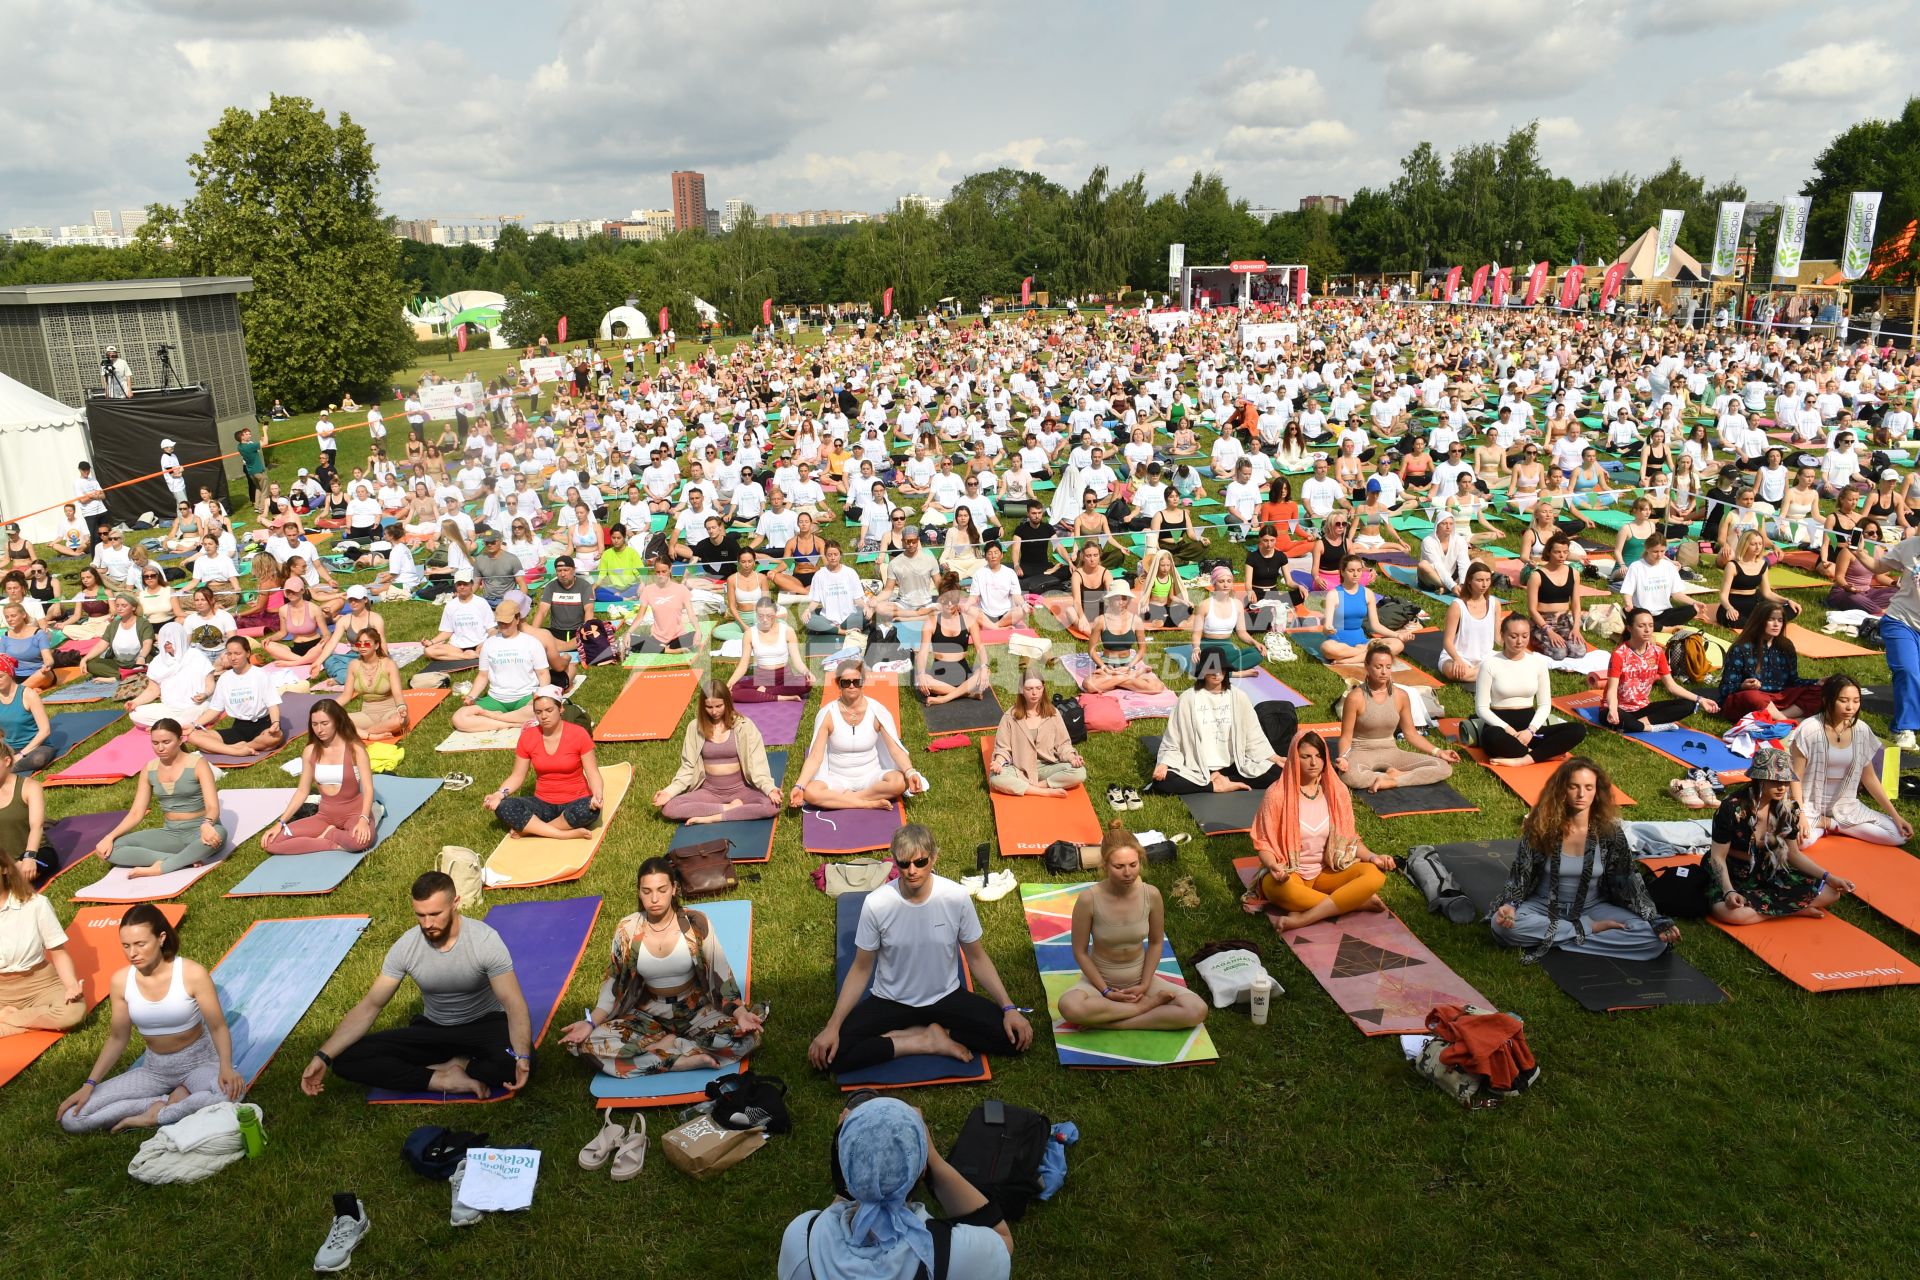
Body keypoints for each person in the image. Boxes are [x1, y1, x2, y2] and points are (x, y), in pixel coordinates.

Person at [808, 825, 1032, 1075]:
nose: (912, 871)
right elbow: (861, 969)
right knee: (829, 1057)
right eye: (904, 864)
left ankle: (941, 1034)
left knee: (1013, 1039)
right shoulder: (877, 903)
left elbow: (977, 958)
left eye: (920, 862)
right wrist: (833, 1026)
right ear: (895, 861)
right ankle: (920, 1040)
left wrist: (1009, 1009)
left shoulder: (956, 897)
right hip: (891, 1000)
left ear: (933, 857)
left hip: (945, 996)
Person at [301, 872, 533, 1101]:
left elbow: (513, 1003)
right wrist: (323, 1057)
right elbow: (371, 1005)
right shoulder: (407, 946)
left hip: (483, 1024)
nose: (427, 923)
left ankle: (459, 1063)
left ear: (455, 904)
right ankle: (442, 1079)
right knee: (346, 1058)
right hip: (434, 1029)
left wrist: (522, 1055)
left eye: (435, 914)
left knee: (517, 1063)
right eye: (420, 915)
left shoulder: (485, 941)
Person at [559, 857, 763, 1078]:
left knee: (747, 1040)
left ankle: (666, 1048)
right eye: (646, 891)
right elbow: (614, 985)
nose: (654, 898)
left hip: (696, 1010)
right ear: (639, 892)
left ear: (674, 889)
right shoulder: (627, 929)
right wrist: (589, 1023)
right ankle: (681, 1061)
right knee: (588, 1045)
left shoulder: (695, 922)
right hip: (648, 1015)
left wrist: (741, 1013)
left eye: (662, 889)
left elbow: (721, 972)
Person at [778, 1096, 1012, 1280]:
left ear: (843, 1168)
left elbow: (828, 1221)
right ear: (922, 1171)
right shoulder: (953, 1256)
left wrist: (854, 1171)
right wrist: (935, 1159)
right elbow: (1002, 1240)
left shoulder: (802, 1242)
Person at [58, 904, 244, 1132]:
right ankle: (163, 1104)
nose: (132, 953)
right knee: (72, 1119)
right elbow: (117, 1038)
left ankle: (154, 1117)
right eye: (125, 946)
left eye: (140, 944)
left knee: (231, 1095)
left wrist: (225, 1066)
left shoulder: (192, 974)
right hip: (155, 1070)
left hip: (199, 1063)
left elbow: (217, 1027)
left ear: (161, 938)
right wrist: (89, 1084)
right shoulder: (121, 981)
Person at [1489, 757, 1680, 961]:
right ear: (1562, 789)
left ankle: (1558, 937)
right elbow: (1521, 874)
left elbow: (1629, 881)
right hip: (1543, 907)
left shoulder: (1610, 833)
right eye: (1574, 786)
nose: (1581, 794)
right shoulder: (1542, 828)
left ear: (1597, 791)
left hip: (1593, 907)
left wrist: (1654, 919)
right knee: (1502, 926)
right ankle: (1588, 930)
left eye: (1589, 787)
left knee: (1654, 939)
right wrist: (1510, 905)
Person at [1054, 822, 1207, 1028]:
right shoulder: (1088, 899)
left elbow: (1155, 942)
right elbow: (1080, 952)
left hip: (1141, 981)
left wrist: (1144, 985)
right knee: (1069, 1006)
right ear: (1105, 865)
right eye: (1119, 867)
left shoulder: (1151, 894)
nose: (1128, 873)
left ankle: (1110, 1022)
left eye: (1133, 865)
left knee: (1196, 1009)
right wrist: (1105, 991)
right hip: (1100, 984)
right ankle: (1144, 1008)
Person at [1246, 731, 1398, 928]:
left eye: (1319, 756)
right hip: (1292, 875)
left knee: (1375, 874)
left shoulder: (1336, 792)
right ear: (1293, 758)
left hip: (1328, 871)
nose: (1313, 763)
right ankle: (1354, 902)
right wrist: (1273, 865)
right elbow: (1264, 843)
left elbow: (1349, 839)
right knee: (1279, 889)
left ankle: (1303, 918)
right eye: (1306, 756)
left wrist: (1373, 857)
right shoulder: (1276, 794)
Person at [1706, 750, 1853, 924]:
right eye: (1775, 781)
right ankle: (1794, 908)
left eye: (1785, 781)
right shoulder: (1732, 808)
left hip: (1770, 869)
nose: (1782, 787)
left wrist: (1828, 877)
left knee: (1831, 892)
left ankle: (1775, 910)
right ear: (1759, 780)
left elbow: (1793, 854)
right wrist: (1729, 891)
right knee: (1730, 913)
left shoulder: (1789, 809)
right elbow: (1717, 857)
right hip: (1733, 871)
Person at [90, 719, 227, 878]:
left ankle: (161, 868)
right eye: (155, 743)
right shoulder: (149, 769)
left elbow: (212, 806)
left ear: (180, 739)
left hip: (201, 830)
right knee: (112, 849)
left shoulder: (197, 763)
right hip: (171, 833)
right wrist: (109, 837)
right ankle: (178, 860)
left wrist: (208, 824)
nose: (160, 748)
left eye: (166, 742)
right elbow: (136, 813)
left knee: (219, 835)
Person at [1788, 675, 1911, 848]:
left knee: (1899, 835)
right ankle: (1822, 824)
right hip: (1809, 807)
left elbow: (1869, 778)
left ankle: (1832, 825)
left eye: (1856, 701)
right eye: (1843, 700)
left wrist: (1896, 816)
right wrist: (1800, 814)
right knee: (1800, 842)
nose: (1850, 707)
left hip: (1846, 808)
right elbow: (1795, 777)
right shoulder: (1809, 729)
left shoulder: (1861, 730)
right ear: (1826, 699)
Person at [1149, 650, 1283, 794]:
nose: (1216, 673)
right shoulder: (1187, 698)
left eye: (1220, 669)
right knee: (1162, 782)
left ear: (1225, 671)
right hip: (1197, 765)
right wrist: (1164, 763)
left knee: (1279, 773)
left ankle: (1224, 778)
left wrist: (1274, 757)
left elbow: (1253, 733)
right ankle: (1216, 786)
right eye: (1211, 669)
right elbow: (1173, 737)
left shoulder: (1239, 697)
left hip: (1233, 764)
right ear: (1203, 671)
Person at [791, 660, 918, 810]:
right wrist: (799, 786)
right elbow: (815, 757)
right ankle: (868, 803)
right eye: (846, 682)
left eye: (856, 682)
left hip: (872, 776)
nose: (852, 686)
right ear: (838, 684)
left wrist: (910, 773)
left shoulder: (876, 710)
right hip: (838, 778)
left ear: (863, 682)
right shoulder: (828, 714)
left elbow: (895, 749)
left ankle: (846, 800)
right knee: (811, 792)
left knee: (899, 781)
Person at [1334, 643, 1460, 791]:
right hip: (1362, 752)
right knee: (1350, 776)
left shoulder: (1401, 696)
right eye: (1378, 666)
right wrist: (1343, 757)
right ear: (1367, 666)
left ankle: (1393, 780)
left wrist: (1439, 752)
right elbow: (1346, 737)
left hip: (1391, 751)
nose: (1384, 672)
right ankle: (1400, 776)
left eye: (1388, 667)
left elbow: (1411, 734)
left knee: (1443, 767)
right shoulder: (1356, 697)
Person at [484, 688, 605, 841]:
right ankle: (562, 834)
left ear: (560, 709)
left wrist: (597, 795)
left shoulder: (579, 734)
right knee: (503, 806)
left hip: (576, 800)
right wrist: (499, 794)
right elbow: (517, 776)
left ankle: (531, 830)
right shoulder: (528, 737)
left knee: (589, 810)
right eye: (539, 712)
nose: (544, 716)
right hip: (543, 804)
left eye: (549, 710)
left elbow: (593, 772)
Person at [654, 682, 783, 823]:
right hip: (710, 791)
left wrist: (770, 789)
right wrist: (669, 792)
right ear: (702, 706)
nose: (714, 711)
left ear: (727, 703)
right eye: (709, 707)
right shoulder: (694, 728)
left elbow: (757, 765)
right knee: (670, 808)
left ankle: (712, 818)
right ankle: (728, 809)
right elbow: (688, 767)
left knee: (772, 806)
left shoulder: (744, 726)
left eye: (718, 706)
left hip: (741, 789)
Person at [261, 700, 376, 855]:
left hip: (355, 813)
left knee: (359, 841)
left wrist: (364, 819)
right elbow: (302, 791)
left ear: (337, 721)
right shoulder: (310, 751)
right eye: (314, 724)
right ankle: (331, 842)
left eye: (324, 723)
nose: (319, 729)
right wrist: (280, 823)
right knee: (271, 843)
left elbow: (368, 789)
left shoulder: (355, 749)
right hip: (325, 817)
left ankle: (330, 834)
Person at [1473, 615, 1587, 766]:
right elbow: (1481, 708)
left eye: (1524, 636)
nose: (1519, 641)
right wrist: (1509, 731)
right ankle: (1542, 753)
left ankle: (1523, 759)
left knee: (1577, 729)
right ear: (1503, 636)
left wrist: (1530, 731)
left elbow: (1545, 704)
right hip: (1502, 730)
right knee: (1492, 737)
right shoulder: (1490, 664)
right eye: (1513, 636)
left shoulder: (1538, 663)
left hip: (1532, 733)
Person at [0, 834, 84, 1036]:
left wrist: (71, 985)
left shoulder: (35, 905)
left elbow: (58, 952)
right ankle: (28, 1019)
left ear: (4, 869)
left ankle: (8, 1019)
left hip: (39, 984)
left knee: (73, 1011)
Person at [1600, 608, 1719, 732]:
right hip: (1619, 709)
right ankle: (1649, 728)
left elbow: (1672, 686)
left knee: (1689, 705)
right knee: (1612, 716)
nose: (1647, 630)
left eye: (1650, 626)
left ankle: (1637, 725)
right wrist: (1613, 710)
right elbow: (1612, 690)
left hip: (1642, 709)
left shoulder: (1657, 652)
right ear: (1630, 628)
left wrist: (1701, 699)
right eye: (1641, 626)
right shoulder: (1619, 654)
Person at [450, 598, 547, 732]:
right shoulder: (489, 644)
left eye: (507, 622)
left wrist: (543, 695)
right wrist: (471, 696)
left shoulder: (532, 642)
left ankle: (493, 718)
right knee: (459, 718)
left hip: (526, 697)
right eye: (500, 623)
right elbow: (483, 676)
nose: (503, 626)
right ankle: (512, 723)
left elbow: (543, 673)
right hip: (496, 699)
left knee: (539, 711)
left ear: (517, 619)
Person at [181, 637, 284, 758]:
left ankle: (238, 747)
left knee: (276, 737)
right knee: (194, 736)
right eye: (229, 654)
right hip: (239, 728)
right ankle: (236, 750)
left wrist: (275, 722)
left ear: (248, 653)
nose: (233, 658)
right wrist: (194, 724)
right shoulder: (225, 678)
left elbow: (272, 704)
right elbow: (215, 709)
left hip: (262, 725)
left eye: (237, 653)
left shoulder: (260, 675)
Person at [987, 671, 1087, 797]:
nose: (1034, 693)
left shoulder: (1053, 713)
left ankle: (1036, 786)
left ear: (1043, 688)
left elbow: (1063, 744)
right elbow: (1003, 748)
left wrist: (1073, 758)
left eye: (1038, 688)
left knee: (1080, 772)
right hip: (1021, 769)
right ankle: (1044, 792)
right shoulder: (1009, 717)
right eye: (1029, 689)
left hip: (1047, 767)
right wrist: (998, 762)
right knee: (996, 778)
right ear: (1021, 690)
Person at [1717, 602, 1822, 721]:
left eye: (1780, 620)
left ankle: (1777, 717)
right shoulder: (1741, 648)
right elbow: (1725, 688)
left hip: (1780, 698)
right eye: (1771, 620)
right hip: (1753, 699)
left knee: (1822, 691)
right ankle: (1786, 721)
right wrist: (1743, 686)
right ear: (1759, 621)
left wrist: (1817, 682)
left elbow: (1794, 681)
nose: (1776, 624)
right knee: (1753, 697)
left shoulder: (1786, 646)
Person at [1869, 532, 1920, 749]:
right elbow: (1879, 566)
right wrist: (1860, 553)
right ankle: (1903, 728)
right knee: (1908, 671)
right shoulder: (1909, 546)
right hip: (1901, 620)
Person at [1317, 554, 1414, 663]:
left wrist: (1398, 635)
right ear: (1342, 572)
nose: (1355, 574)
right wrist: (1328, 629)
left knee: (1398, 644)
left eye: (1359, 570)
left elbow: (1375, 625)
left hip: (1361, 641)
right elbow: (1326, 628)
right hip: (1339, 642)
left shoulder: (1367, 594)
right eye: (1351, 570)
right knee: (1327, 648)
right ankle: (1366, 653)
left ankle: (1348, 660)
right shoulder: (1334, 594)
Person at [914, 582, 990, 705]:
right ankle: (967, 693)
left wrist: (984, 668)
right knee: (921, 679)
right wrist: (922, 673)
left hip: (964, 673)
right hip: (939, 676)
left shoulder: (969, 620)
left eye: (953, 601)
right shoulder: (931, 622)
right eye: (945, 601)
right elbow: (923, 652)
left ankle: (944, 698)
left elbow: (980, 648)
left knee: (984, 671)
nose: (949, 605)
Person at [730, 596, 813, 703]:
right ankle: (779, 697)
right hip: (761, 680)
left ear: (775, 613)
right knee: (733, 691)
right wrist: (729, 684)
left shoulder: (787, 631)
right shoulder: (750, 633)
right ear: (756, 614)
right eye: (760, 616)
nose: (764, 619)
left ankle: (766, 693)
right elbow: (743, 665)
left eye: (769, 616)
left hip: (784, 679)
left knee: (806, 683)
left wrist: (807, 672)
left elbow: (797, 661)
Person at [1084, 587, 1164, 695]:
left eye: (1124, 598)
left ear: (1129, 600)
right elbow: (1091, 650)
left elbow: (1142, 649)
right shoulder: (1100, 620)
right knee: (1088, 685)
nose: (1121, 602)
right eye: (1117, 598)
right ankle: (1130, 677)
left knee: (1157, 687)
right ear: (1110, 599)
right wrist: (1104, 667)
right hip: (1107, 665)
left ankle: (1114, 681)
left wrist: (1129, 667)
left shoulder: (1136, 620)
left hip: (1127, 665)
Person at [1715, 530, 1799, 627]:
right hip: (1734, 606)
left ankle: (1762, 624)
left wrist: (1787, 601)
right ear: (1745, 545)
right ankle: (1763, 624)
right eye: (1754, 544)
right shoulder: (1732, 566)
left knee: (1793, 609)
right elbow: (1723, 595)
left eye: (1760, 544)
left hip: (1753, 607)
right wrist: (1729, 608)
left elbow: (1767, 593)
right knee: (1737, 621)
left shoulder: (1763, 564)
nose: (1758, 547)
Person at [1525, 533, 1590, 658]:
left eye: (1565, 552)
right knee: (1559, 653)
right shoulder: (1536, 576)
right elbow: (1532, 610)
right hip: (1542, 622)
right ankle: (1536, 638)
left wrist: (1576, 627)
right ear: (1549, 552)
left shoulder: (1574, 573)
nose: (1562, 556)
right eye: (1557, 552)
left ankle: (1563, 640)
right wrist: (1548, 630)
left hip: (1563, 620)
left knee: (1579, 651)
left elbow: (1576, 604)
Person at [1437, 561, 1500, 683]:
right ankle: (1493, 672)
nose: (1484, 584)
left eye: (1488, 580)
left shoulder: (1494, 603)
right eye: (1480, 580)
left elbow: (1498, 638)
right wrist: (1457, 659)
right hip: (1458, 657)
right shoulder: (1457, 606)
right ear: (1469, 581)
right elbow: (1447, 642)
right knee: (1460, 673)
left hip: (1485, 657)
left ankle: (1487, 671)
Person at [422, 569, 494, 663]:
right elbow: (447, 631)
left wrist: (488, 641)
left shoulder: (481, 603)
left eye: (465, 584)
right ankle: (466, 656)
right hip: (457, 646)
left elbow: (491, 629)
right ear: (455, 586)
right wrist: (431, 642)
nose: (462, 587)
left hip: (479, 644)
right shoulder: (450, 605)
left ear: (471, 584)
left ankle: (472, 654)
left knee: (494, 647)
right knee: (428, 651)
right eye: (459, 584)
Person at [0, 655, 53, 774]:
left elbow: (45, 730)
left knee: (38, 759)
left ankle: (6, 769)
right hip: (8, 748)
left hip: (36, 747)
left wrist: (21, 754)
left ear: (10, 674)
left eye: (0, 677)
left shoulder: (28, 695)